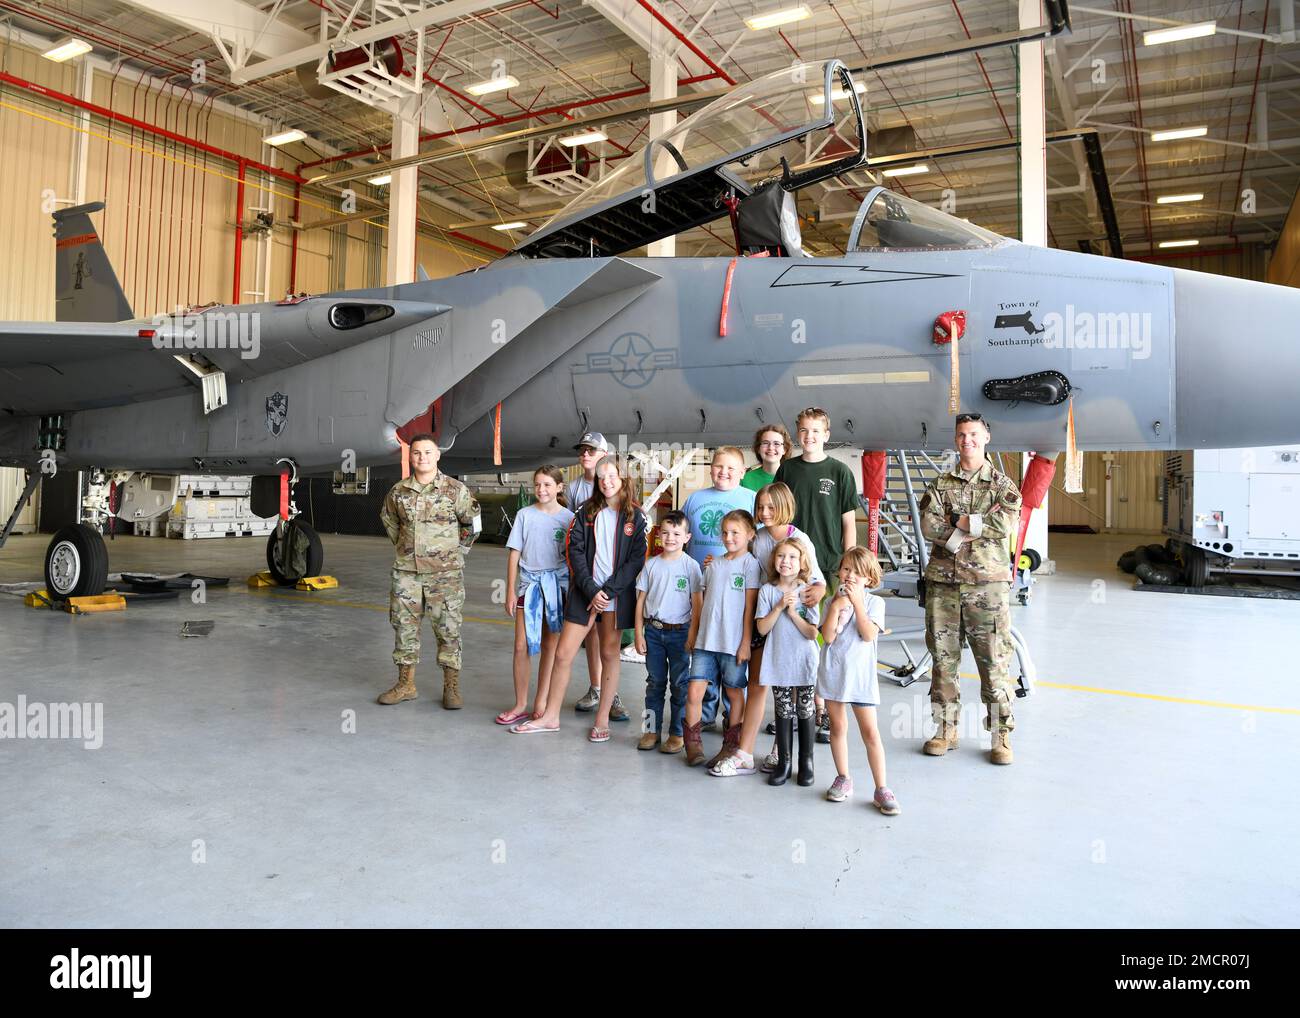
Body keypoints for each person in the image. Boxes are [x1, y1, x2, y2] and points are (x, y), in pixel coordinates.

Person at [512, 455, 647, 741]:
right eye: (601, 477)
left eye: (612, 476)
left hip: (615, 598)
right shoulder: (586, 511)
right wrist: (591, 589)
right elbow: (574, 552)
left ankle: (602, 720)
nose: (607, 482)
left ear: (623, 478)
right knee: (563, 654)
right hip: (584, 594)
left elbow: (636, 561)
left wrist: (608, 592)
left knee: (609, 654)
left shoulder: (637, 516)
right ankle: (550, 716)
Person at [918, 412, 1023, 765]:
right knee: (943, 661)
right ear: (956, 439)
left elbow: (1004, 522)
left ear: (986, 437)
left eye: (974, 434)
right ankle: (945, 729)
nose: (968, 440)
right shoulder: (940, 484)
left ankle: (1001, 734)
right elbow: (929, 526)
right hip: (944, 586)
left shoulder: (1002, 486)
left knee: (994, 661)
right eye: (962, 434)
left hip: (987, 587)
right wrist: (975, 526)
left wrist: (959, 521)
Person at [710, 482, 824, 778]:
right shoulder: (757, 537)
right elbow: (739, 562)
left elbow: (817, 580)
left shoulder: (800, 539)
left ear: (786, 506)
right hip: (764, 615)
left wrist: (817, 595)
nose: (764, 512)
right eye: (760, 507)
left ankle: (780, 750)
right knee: (759, 683)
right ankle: (745, 753)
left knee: (789, 687)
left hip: (791, 622)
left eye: (771, 507)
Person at [377, 433, 481, 710]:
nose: (422, 457)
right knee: (404, 627)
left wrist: (459, 553)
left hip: (444, 575)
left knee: (447, 628)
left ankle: (451, 686)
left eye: (427, 452)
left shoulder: (454, 490)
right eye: (416, 453)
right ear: (410, 457)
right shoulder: (398, 492)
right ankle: (406, 684)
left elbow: (472, 523)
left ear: (437, 456)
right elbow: (390, 521)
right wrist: (405, 548)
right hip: (407, 573)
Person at [775, 408, 859, 743]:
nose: (809, 436)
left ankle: (822, 709)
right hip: (793, 570)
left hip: (827, 567)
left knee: (826, 639)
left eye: (815, 431)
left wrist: (847, 568)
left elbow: (848, 523)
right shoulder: (788, 469)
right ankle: (798, 709)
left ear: (826, 434)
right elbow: (780, 516)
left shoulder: (839, 472)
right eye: (803, 431)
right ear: (797, 433)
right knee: (795, 637)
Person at [818, 547, 899, 814]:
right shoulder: (832, 601)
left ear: (869, 579)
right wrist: (838, 606)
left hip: (861, 677)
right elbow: (828, 637)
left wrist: (858, 605)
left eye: (858, 572)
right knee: (838, 728)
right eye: (846, 569)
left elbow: (867, 634)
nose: (850, 576)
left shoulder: (876, 603)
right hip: (834, 673)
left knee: (870, 733)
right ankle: (843, 777)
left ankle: (881, 787)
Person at [681, 446, 756, 730]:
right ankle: (705, 715)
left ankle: (732, 721)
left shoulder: (750, 499)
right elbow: (683, 541)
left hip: (736, 593)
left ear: (741, 472)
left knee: (731, 656)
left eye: (730, 468)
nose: (723, 472)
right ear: (710, 468)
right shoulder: (695, 499)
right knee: (705, 651)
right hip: (702, 589)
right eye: (717, 466)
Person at [496, 465, 574, 727]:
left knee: (550, 647)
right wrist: (510, 591)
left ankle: (541, 702)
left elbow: (574, 559)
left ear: (559, 488)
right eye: (538, 485)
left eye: (548, 485)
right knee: (521, 645)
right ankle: (520, 703)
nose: (542, 490)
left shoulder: (568, 518)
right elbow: (514, 554)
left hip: (556, 588)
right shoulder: (524, 515)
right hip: (529, 586)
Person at [682, 509, 759, 767]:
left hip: (733, 642)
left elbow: (750, 608)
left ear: (749, 534)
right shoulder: (713, 564)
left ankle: (731, 745)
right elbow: (702, 604)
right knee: (694, 692)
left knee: (734, 692)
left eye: (735, 533)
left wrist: (746, 642)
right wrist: (694, 633)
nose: (728, 537)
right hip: (706, 641)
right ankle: (692, 745)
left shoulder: (751, 565)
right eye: (725, 532)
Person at [567, 432, 628, 722]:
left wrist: (608, 588)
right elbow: (572, 533)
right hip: (585, 580)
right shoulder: (575, 488)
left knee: (609, 641)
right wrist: (586, 584)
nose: (586, 455)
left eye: (592, 451)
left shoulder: (617, 489)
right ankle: (595, 686)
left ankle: (610, 693)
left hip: (610, 585)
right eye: (582, 451)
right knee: (590, 634)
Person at [632, 510, 702, 754]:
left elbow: (697, 603)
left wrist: (693, 634)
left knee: (680, 685)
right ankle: (651, 731)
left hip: (681, 633)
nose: (670, 537)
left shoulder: (691, 567)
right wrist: (639, 634)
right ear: (658, 535)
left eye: (676, 533)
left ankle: (677, 733)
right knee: (654, 683)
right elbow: (640, 601)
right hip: (653, 631)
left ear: (687, 537)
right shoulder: (651, 565)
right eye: (665, 532)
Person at [754, 538, 822, 787]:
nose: (786, 562)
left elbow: (812, 633)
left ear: (802, 561)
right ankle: (784, 762)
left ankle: (806, 763)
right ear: (774, 560)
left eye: (792, 557)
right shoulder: (767, 591)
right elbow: (762, 628)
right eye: (781, 556)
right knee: (783, 711)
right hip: (779, 659)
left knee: (805, 711)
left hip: (804, 660)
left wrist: (793, 612)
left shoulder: (808, 591)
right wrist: (780, 606)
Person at [740, 424, 793, 494]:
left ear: (784, 450)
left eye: (776, 443)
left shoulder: (793, 478)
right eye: (765, 443)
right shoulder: (745, 479)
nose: (771, 447)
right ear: (758, 448)